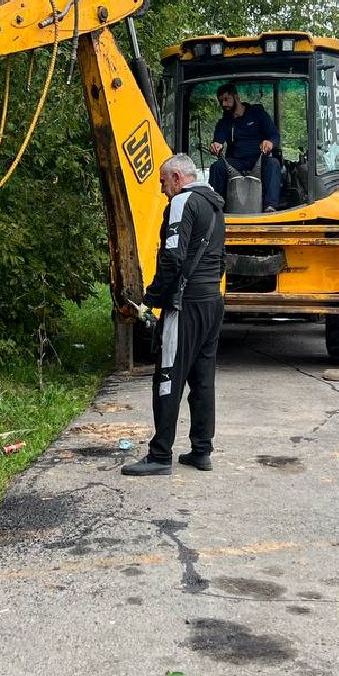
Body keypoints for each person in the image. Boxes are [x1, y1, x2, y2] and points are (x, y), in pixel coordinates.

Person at [122, 153, 226, 477]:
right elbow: (221, 258)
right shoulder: (215, 205)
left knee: (167, 375)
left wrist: (152, 297)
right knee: (202, 379)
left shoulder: (183, 203)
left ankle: (159, 455)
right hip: (212, 302)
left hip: (186, 305)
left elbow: (172, 258)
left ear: (178, 179)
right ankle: (201, 450)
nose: (163, 190)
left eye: (164, 183)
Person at [206, 84, 282, 211]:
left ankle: (270, 206)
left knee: (273, 164)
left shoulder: (258, 114)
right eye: (221, 101)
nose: (224, 104)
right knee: (217, 167)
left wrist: (269, 142)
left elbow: (274, 135)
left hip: (259, 158)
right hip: (237, 161)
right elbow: (218, 140)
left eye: (226, 99)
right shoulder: (224, 122)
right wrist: (216, 145)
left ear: (236, 96)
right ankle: (215, 207)